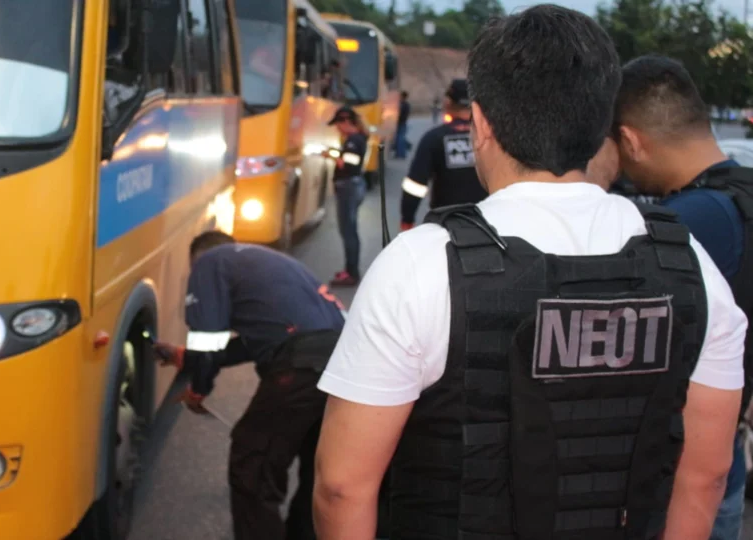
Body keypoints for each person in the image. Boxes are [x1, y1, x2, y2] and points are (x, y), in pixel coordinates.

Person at [312, 6, 747, 540]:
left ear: (483, 124)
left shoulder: (418, 266)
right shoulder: (692, 266)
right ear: (600, 125)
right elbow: (705, 477)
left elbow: (342, 487)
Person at [611, 54, 753, 540]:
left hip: (676, 482)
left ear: (630, 140)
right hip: (724, 459)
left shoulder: (684, 226)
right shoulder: (741, 198)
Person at [153, 231, 345, 540]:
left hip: (300, 366)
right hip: (344, 366)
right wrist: (186, 358)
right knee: (317, 468)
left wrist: (199, 387)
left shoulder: (210, 261)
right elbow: (260, 340)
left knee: (253, 464)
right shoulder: (272, 262)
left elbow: (207, 341)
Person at [400, 78, 486, 231]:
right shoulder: (489, 138)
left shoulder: (434, 138)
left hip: (446, 225)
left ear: (448, 103)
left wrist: (407, 219)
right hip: (487, 224)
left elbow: (415, 185)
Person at [326, 106, 369, 287]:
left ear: (345, 122)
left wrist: (333, 156)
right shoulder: (357, 138)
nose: (337, 128)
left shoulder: (353, 140)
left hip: (348, 188)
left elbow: (351, 164)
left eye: (338, 124)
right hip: (353, 186)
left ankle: (351, 273)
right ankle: (350, 269)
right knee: (349, 230)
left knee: (348, 231)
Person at [394, 90, 412, 159]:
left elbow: (399, 114)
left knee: (400, 138)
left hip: (401, 123)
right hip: (403, 123)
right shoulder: (406, 104)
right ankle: (401, 153)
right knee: (401, 138)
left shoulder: (402, 104)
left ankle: (400, 154)